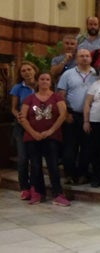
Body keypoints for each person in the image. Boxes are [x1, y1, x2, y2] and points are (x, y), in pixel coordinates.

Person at [19, 72, 70, 206]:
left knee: (53, 165)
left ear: (51, 82)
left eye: (47, 79)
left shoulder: (57, 98)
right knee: (35, 166)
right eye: (42, 79)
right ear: (38, 81)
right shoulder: (29, 99)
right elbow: (22, 117)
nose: (44, 81)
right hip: (32, 136)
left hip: (52, 136)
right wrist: (33, 133)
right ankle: (37, 193)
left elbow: (62, 115)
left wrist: (50, 131)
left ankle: (58, 194)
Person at [57, 48, 98, 185]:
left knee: (87, 147)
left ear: (91, 59)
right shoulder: (68, 74)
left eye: (87, 56)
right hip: (72, 115)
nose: (85, 58)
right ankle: (69, 174)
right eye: (81, 56)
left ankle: (83, 174)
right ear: (76, 59)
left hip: (90, 117)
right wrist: (66, 113)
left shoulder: (96, 74)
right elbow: (60, 95)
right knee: (70, 148)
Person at [10, 61, 38, 200]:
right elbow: (14, 108)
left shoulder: (41, 84)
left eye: (29, 69)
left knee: (35, 158)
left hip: (37, 125)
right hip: (21, 126)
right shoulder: (18, 88)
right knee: (22, 158)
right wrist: (19, 116)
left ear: (34, 70)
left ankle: (34, 186)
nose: (27, 72)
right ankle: (24, 188)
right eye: (23, 71)